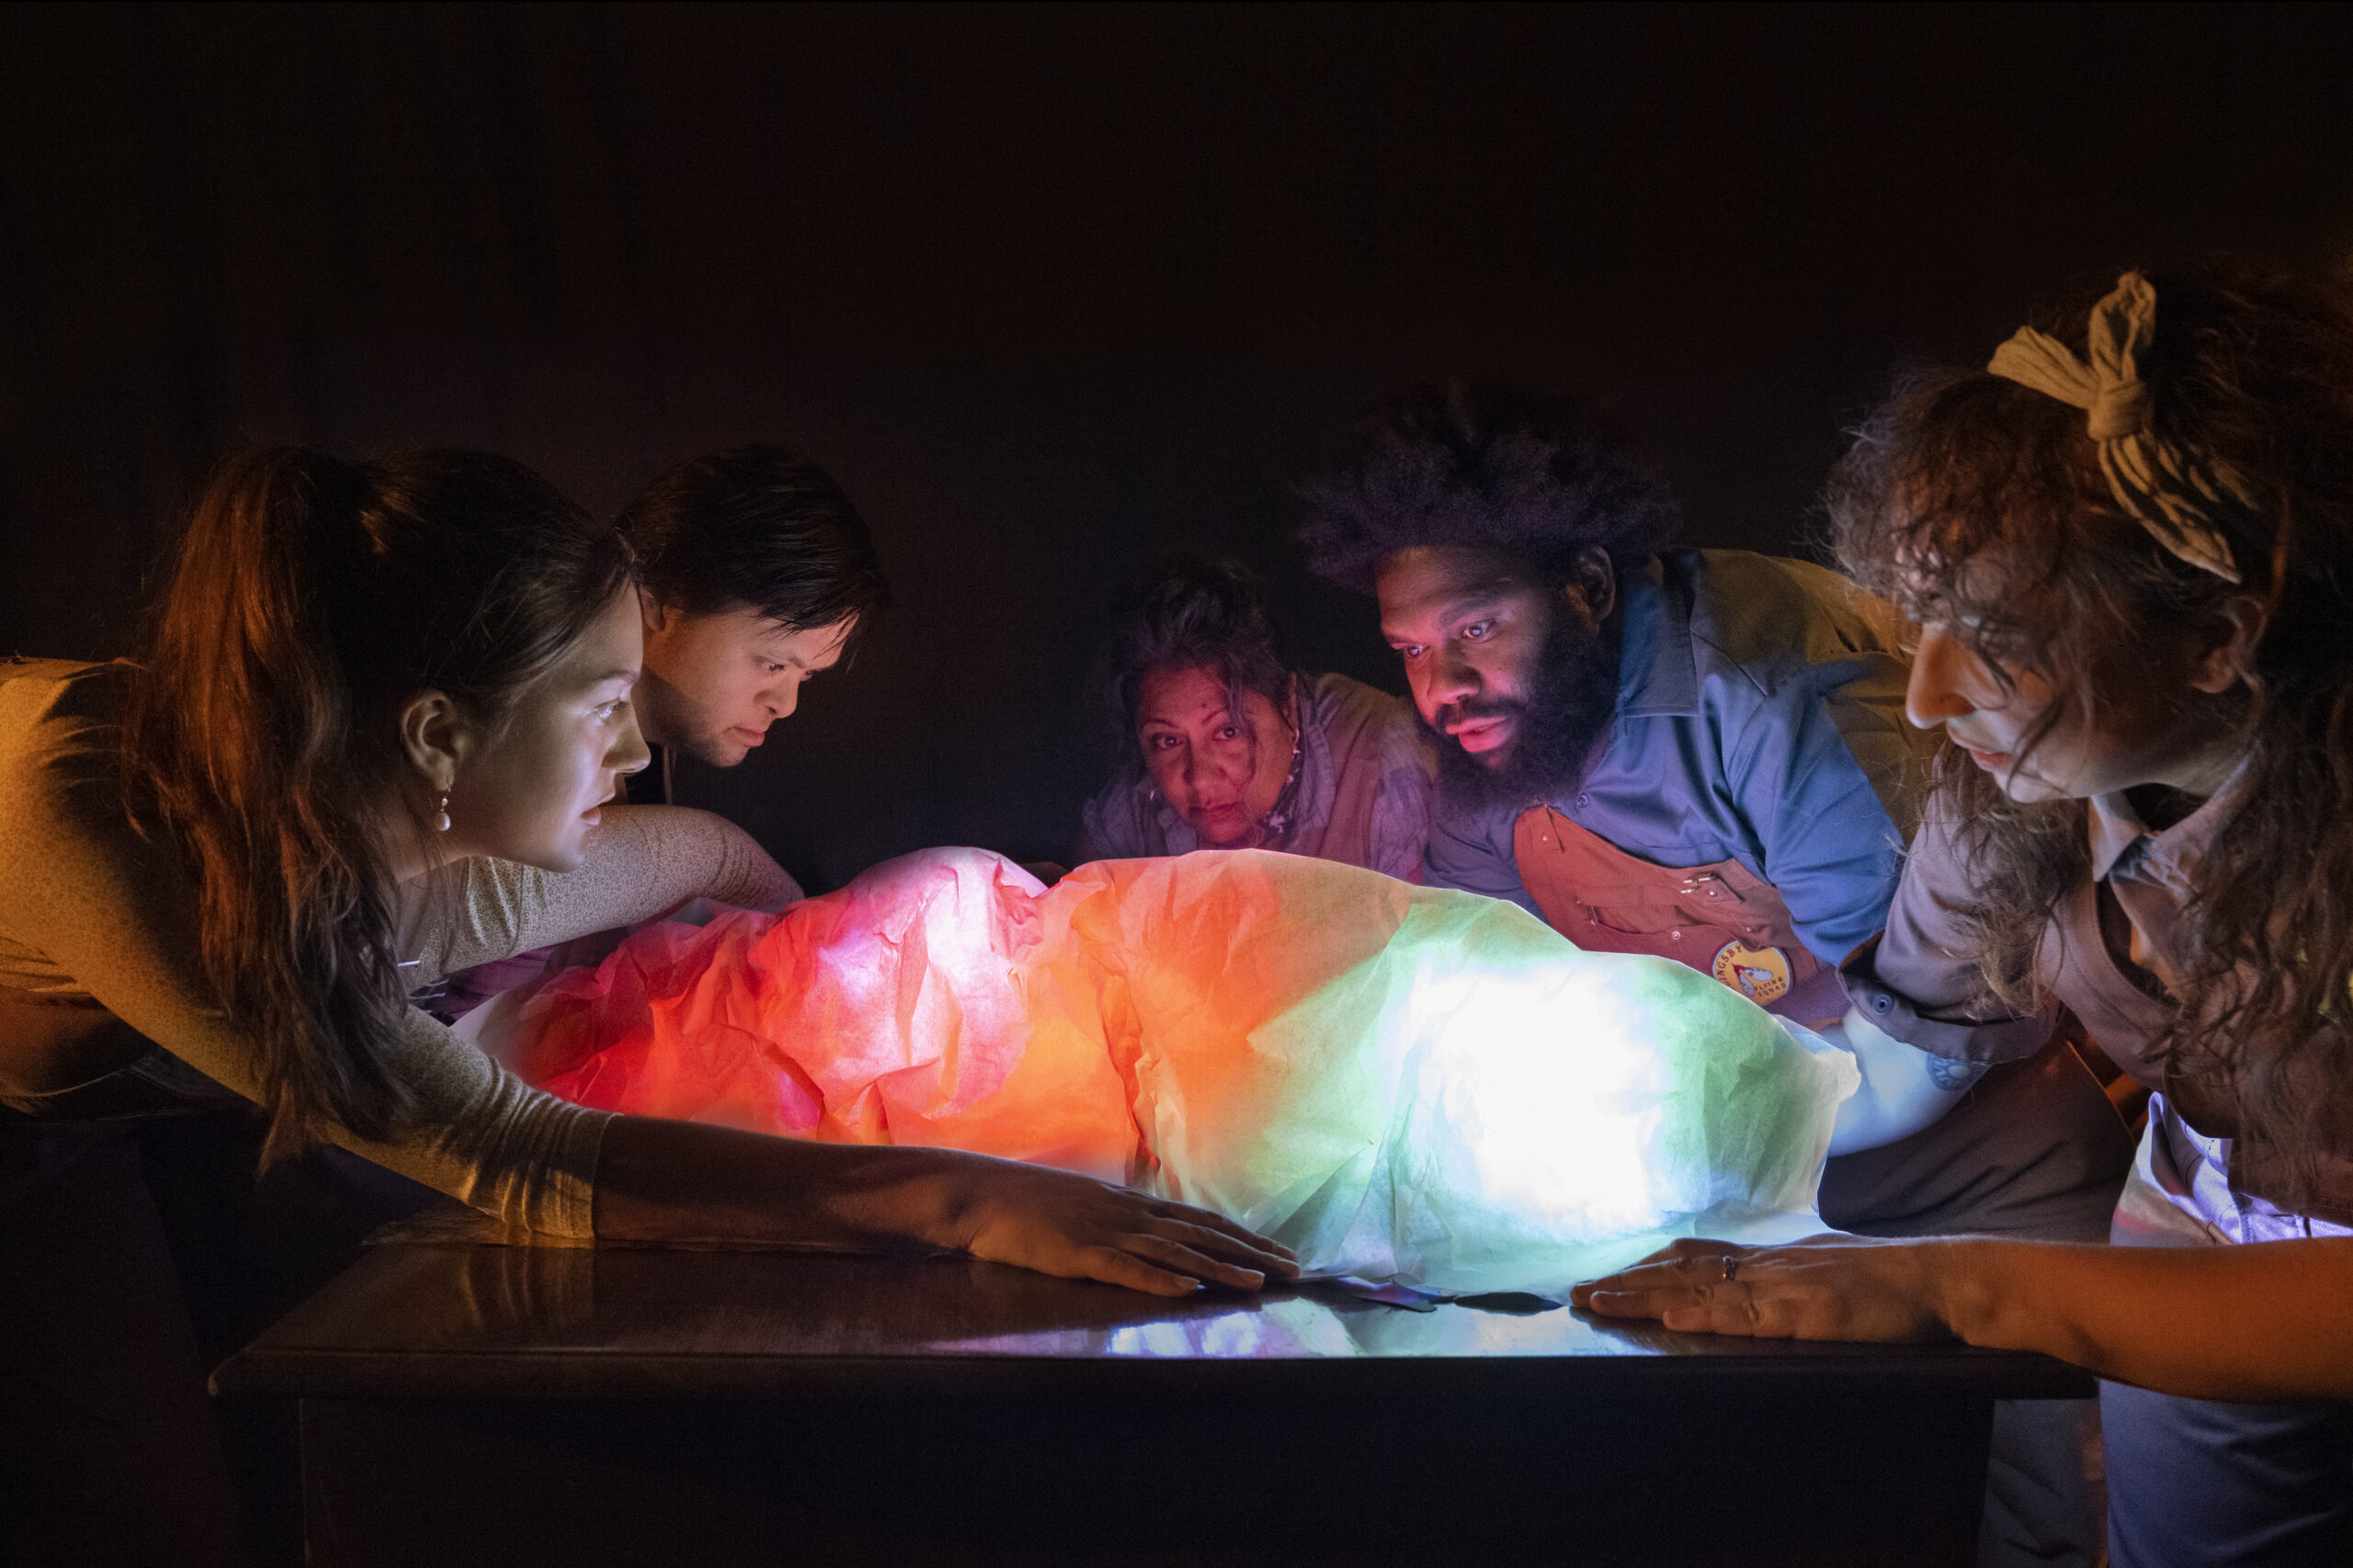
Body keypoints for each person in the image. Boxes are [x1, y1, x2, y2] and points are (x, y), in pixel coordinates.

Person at [0, 448, 1293, 1565]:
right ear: (441, 735)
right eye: (601, 707)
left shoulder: (418, 824)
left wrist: (823, 968)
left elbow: (701, 853)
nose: (630, 750)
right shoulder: (106, 830)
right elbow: (514, 1147)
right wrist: (964, 1198)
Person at [1573, 265, 2353, 1567]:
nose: (1928, 693)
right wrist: (1704, 1139)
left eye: (1991, 636)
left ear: (2219, 637)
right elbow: (1906, 1050)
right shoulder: (2019, 786)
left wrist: (1962, 1281)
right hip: (2189, 1230)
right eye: (1921, 618)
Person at [1300, 385, 2137, 1564]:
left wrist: (1675, 1138)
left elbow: (1925, 1038)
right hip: (1750, 1201)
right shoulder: (1490, 755)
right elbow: (1478, 981)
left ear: (1587, 585)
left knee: (2024, 1531)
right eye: (1411, 650)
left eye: (1476, 628)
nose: (1441, 686)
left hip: (1975, 1182)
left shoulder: (1776, 691)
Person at [426, 442, 886, 1017]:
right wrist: (712, 855)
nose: (786, 704)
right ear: (660, 603)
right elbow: (440, 920)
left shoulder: (654, 754)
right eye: (772, 664)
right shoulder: (510, 720)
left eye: (807, 676)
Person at [1075, 557, 1435, 881]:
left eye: (1229, 731)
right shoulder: (1139, 802)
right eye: (1168, 740)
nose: (1200, 780)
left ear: (1287, 705)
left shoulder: (1388, 764)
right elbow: (1070, 892)